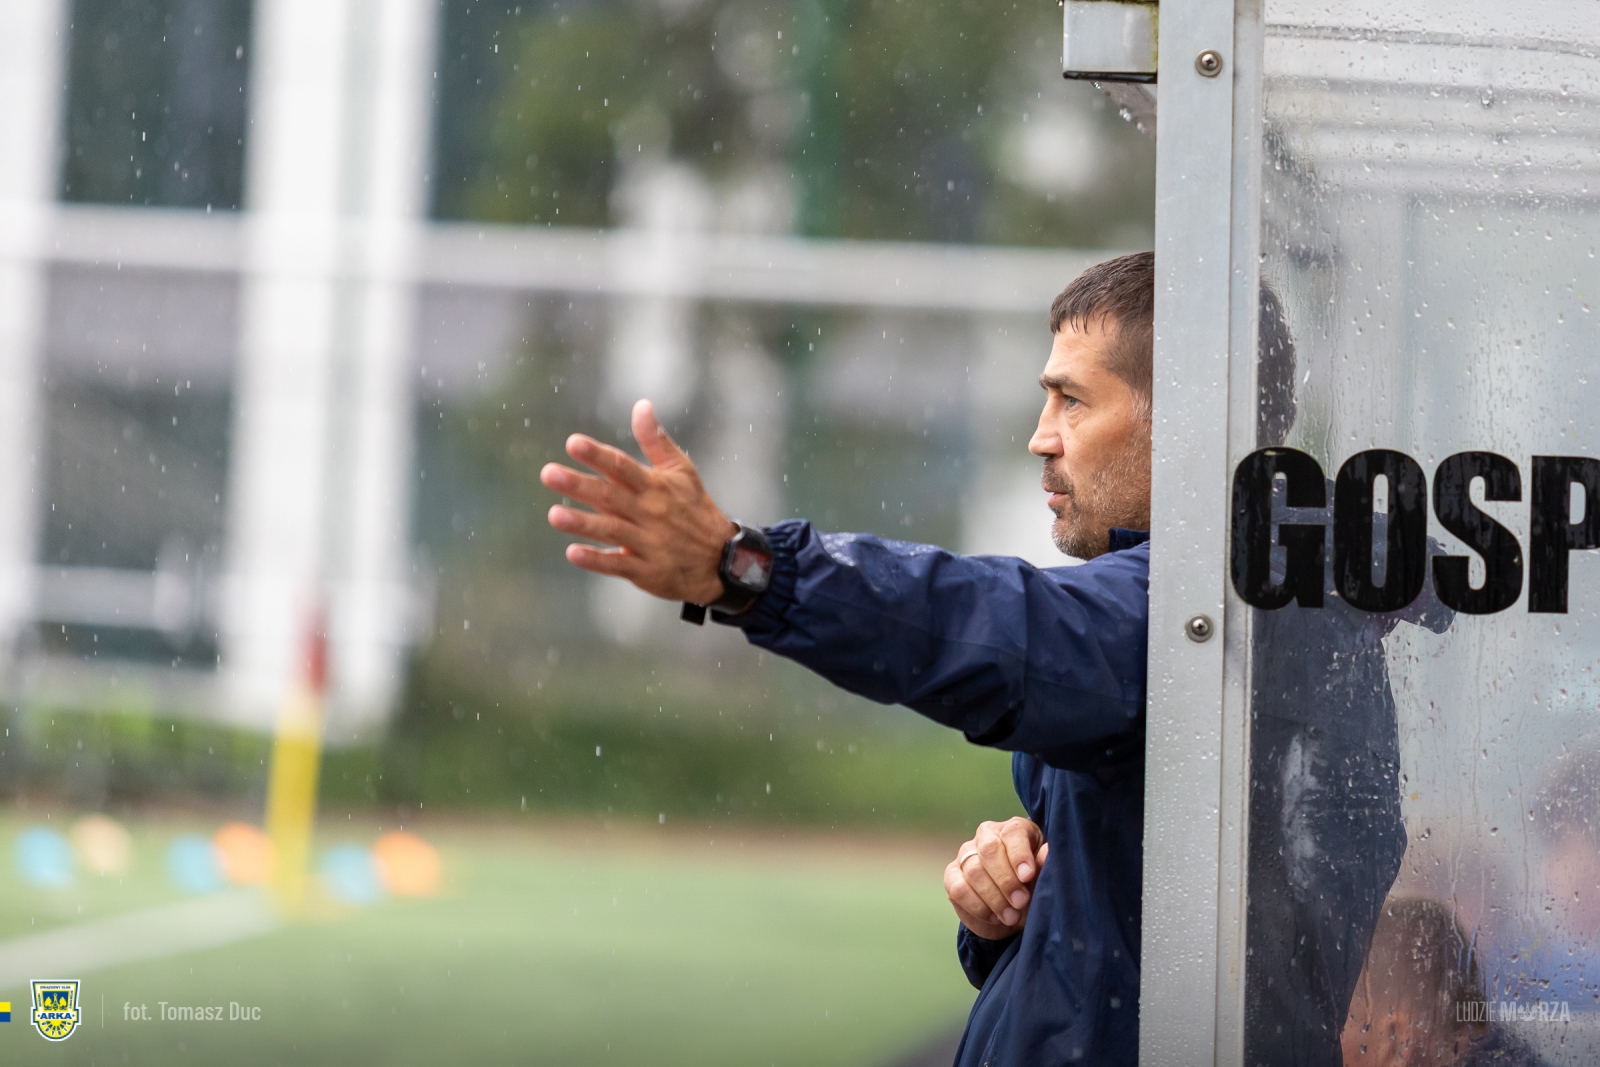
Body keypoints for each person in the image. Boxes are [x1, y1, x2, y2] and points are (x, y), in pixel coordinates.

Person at [543, 251, 1155, 1064]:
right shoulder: (1200, 616)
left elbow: (987, 621)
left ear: (1188, 420)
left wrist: (748, 569)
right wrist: (1010, 908)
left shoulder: (1180, 619)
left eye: (1072, 400)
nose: (1041, 436)